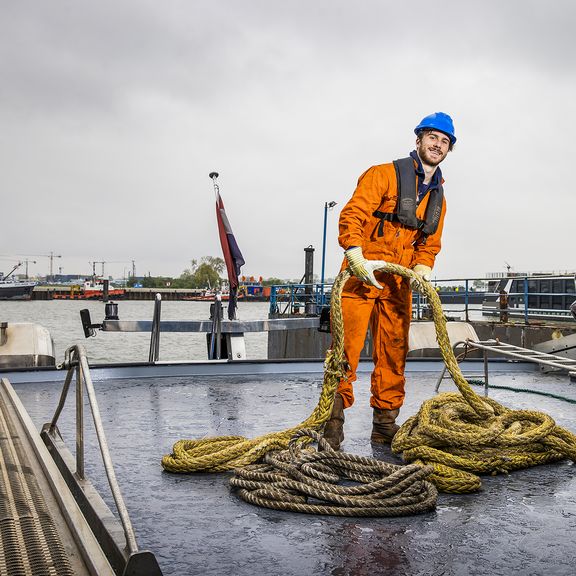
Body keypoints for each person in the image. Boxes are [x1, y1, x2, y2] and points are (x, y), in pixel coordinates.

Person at [323, 112, 456, 450]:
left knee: (394, 354)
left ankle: (384, 425)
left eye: (445, 141)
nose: (437, 145)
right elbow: (352, 214)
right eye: (433, 137)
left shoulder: (438, 198)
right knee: (345, 352)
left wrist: (424, 267)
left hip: (398, 284)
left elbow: (430, 244)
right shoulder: (382, 174)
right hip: (360, 276)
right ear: (418, 139)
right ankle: (331, 427)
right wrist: (354, 253)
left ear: (449, 150)